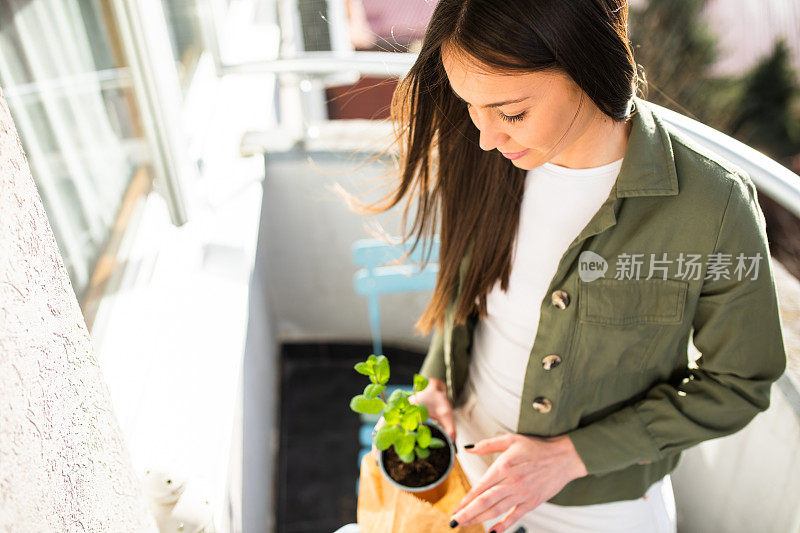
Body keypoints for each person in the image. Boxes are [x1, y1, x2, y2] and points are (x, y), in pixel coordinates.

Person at [358, 1, 787, 532]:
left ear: (591, 65)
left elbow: (740, 383)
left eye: (512, 113)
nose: (487, 136)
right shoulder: (486, 155)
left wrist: (568, 455)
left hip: (599, 508)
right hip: (466, 468)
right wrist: (436, 383)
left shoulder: (713, 207)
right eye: (471, 105)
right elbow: (470, 291)